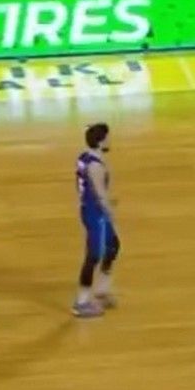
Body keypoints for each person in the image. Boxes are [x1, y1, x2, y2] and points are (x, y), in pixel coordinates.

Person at [72, 123, 119, 319]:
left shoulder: (84, 158)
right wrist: (110, 212)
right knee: (93, 256)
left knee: (113, 246)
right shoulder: (96, 166)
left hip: (91, 209)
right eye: (107, 138)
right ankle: (81, 302)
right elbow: (100, 194)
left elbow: (83, 185)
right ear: (100, 142)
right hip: (96, 214)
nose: (110, 141)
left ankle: (102, 290)